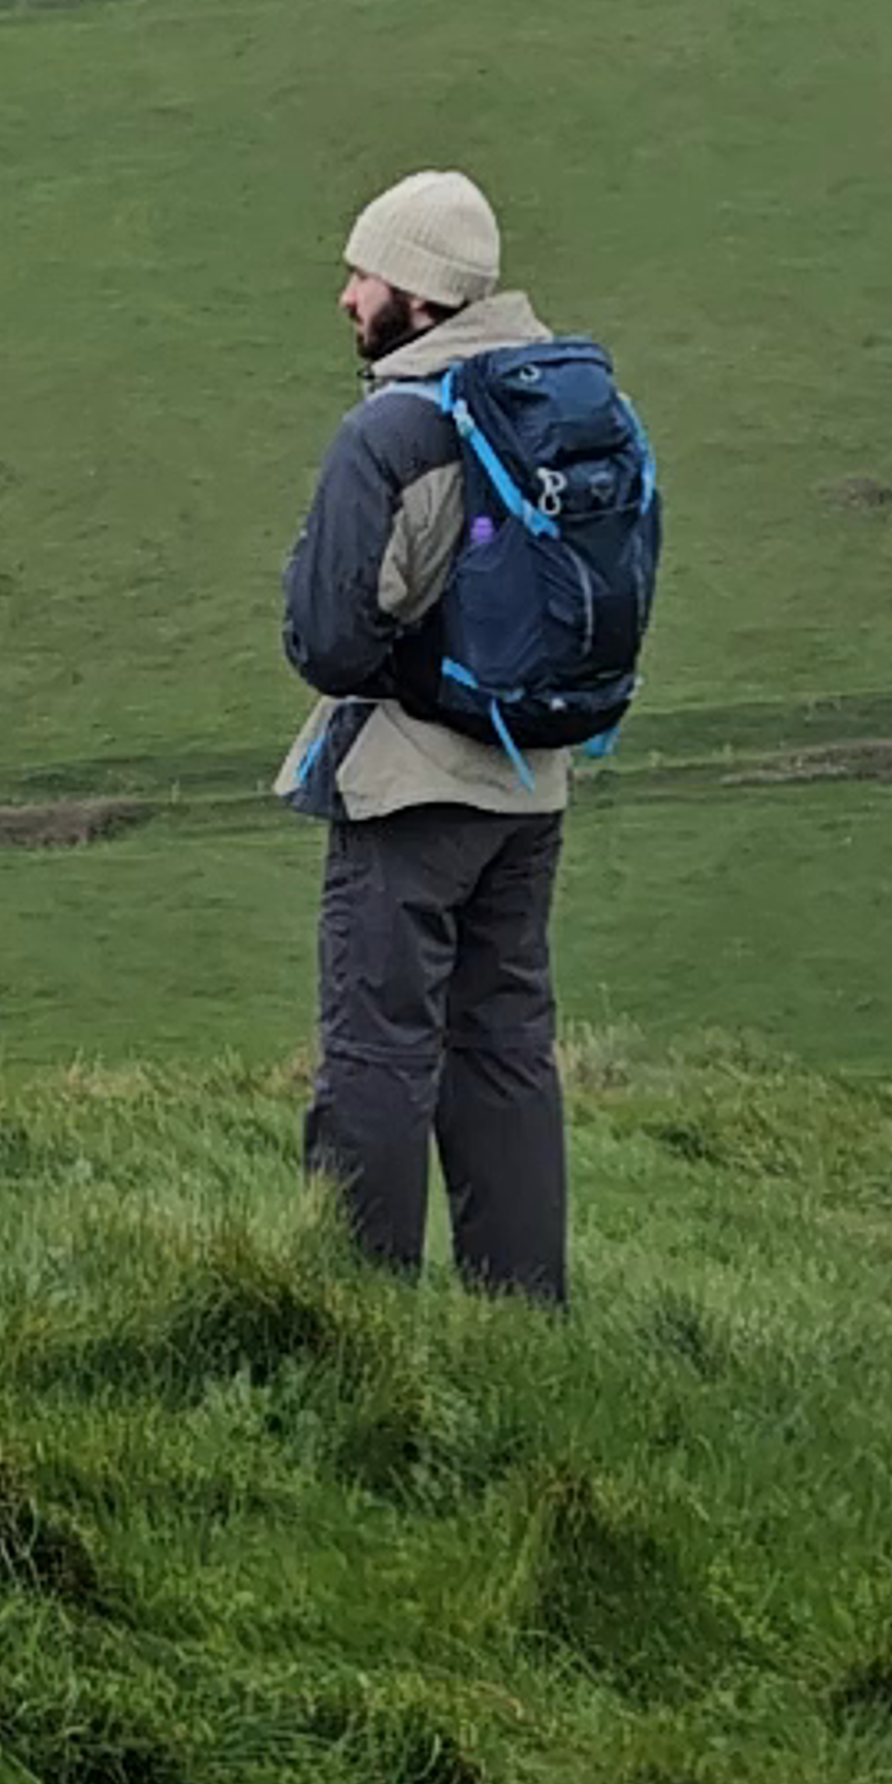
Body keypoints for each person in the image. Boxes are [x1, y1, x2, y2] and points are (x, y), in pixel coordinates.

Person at [278, 166, 572, 1306]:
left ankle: (358, 1316)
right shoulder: (546, 400)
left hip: (412, 788)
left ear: (417, 293)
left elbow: (326, 641)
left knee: (378, 1050)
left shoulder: (393, 430)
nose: (349, 296)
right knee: (505, 1049)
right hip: (532, 780)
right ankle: (521, 1313)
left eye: (366, 275)